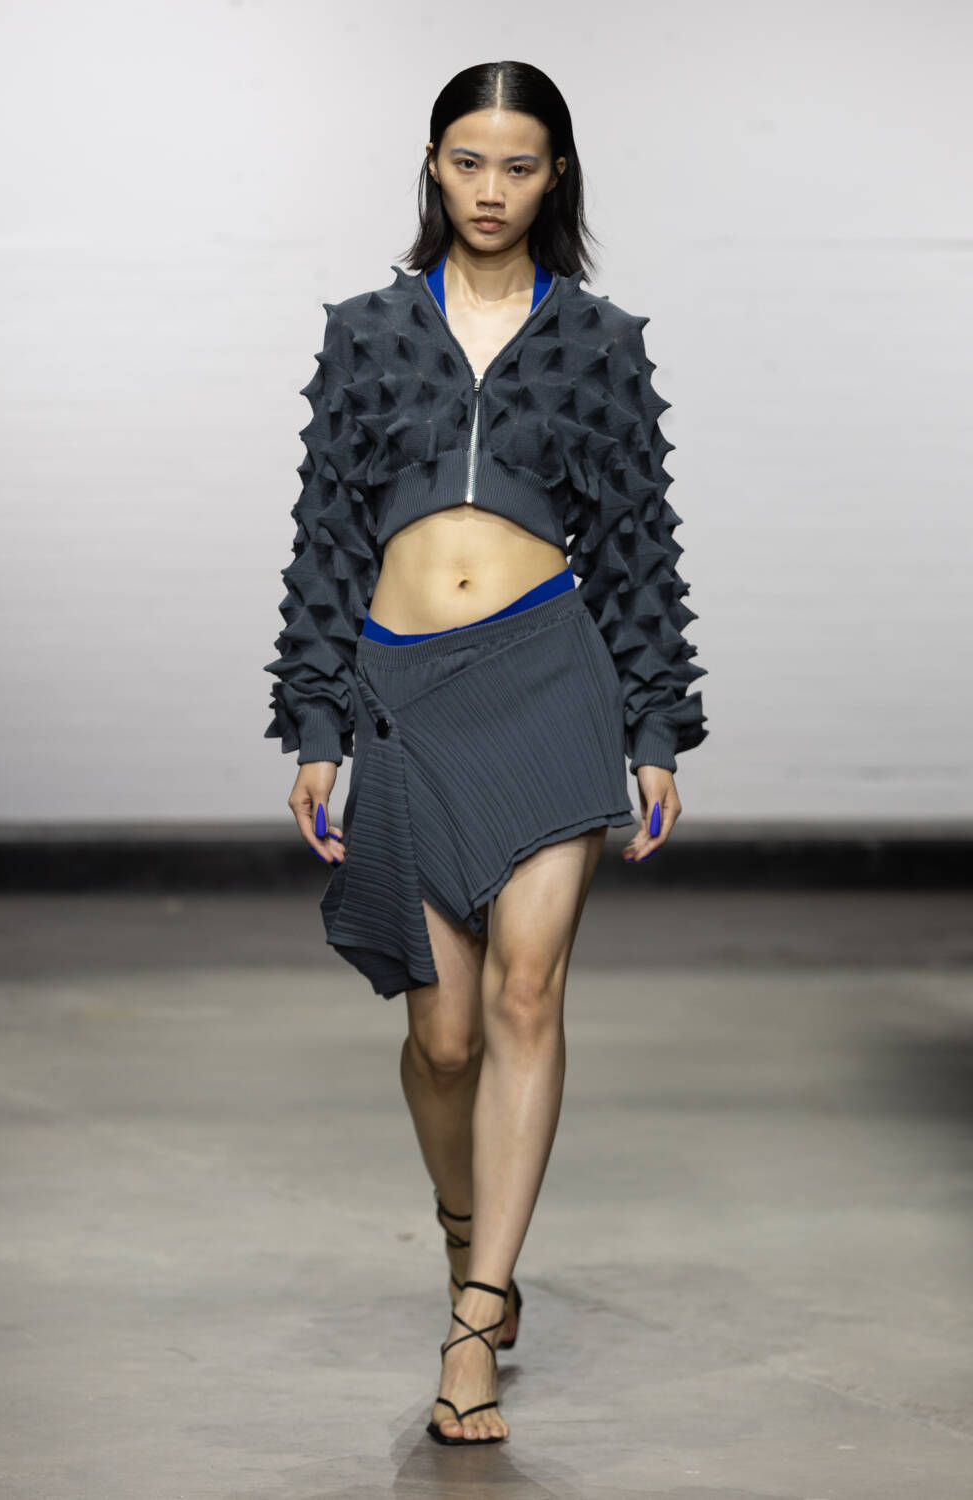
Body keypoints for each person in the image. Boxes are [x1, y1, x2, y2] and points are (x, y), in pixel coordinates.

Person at [263, 60, 709, 1446]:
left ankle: (475, 1312)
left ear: (554, 175)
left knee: (526, 997)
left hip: (547, 680)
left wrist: (654, 726)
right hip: (404, 693)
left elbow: (637, 546)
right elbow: (326, 537)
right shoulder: (368, 335)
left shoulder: (599, 342)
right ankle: (466, 1225)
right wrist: (317, 720)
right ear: (433, 165)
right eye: (469, 162)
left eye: (519, 166)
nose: (492, 189)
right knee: (443, 1038)